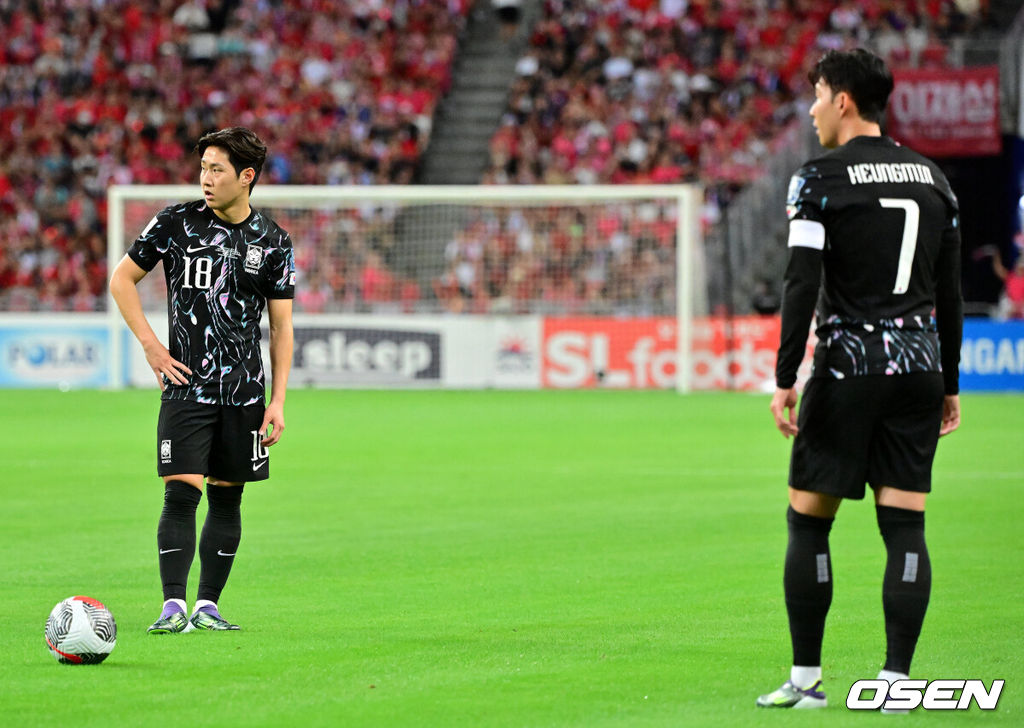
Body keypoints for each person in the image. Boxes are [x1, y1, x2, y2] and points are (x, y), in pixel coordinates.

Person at [757, 49, 963, 709]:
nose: (813, 109)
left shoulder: (818, 180)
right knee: (905, 525)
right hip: (920, 366)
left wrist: (786, 373)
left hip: (850, 364)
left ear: (844, 99)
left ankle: (807, 682)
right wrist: (950, 381)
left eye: (818, 95)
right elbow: (950, 294)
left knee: (808, 522)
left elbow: (802, 281)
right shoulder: (936, 181)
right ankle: (896, 682)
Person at [109, 127, 295, 633]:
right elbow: (121, 279)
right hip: (186, 385)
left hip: (244, 394)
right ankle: (172, 607)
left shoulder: (274, 242)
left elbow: (281, 328)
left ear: (247, 177)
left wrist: (277, 400)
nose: (206, 179)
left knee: (227, 497)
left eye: (217, 170)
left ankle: (207, 606)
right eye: (203, 168)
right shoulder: (175, 222)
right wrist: (151, 346)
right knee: (180, 493)